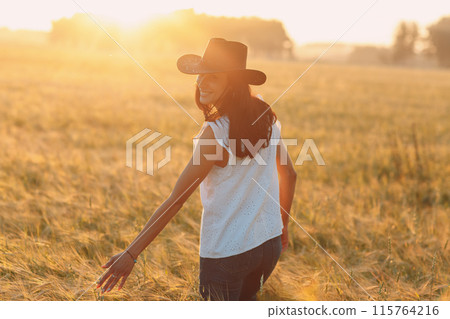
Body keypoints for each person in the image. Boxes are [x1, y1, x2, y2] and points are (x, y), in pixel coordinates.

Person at [96, 38, 297, 301]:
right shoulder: (265, 115)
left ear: (232, 83)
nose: (202, 83)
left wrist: (131, 254)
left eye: (213, 77)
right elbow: (290, 174)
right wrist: (281, 225)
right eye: (201, 75)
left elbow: (177, 199)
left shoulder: (214, 133)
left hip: (227, 253)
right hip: (267, 246)